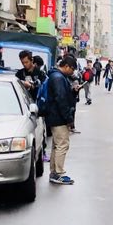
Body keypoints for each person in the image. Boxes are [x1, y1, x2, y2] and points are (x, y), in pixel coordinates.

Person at [42, 54, 79, 185]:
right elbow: (61, 99)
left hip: (55, 116)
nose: (72, 72)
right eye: (72, 69)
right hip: (58, 116)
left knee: (57, 145)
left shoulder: (56, 76)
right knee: (62, 145)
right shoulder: (58, 78)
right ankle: (58, 173)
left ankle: (54, 172)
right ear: (66, 66)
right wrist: (68, 118)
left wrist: (73, 91)